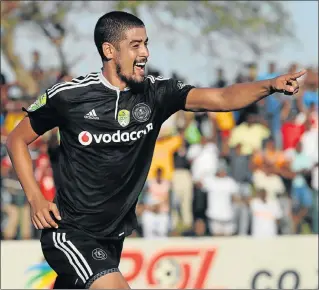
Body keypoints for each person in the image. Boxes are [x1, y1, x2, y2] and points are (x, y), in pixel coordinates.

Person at [5, 10, 306, 290]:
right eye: (135, 45)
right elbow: (16, 140)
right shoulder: (70, 96)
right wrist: (35, 198)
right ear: (110, 51)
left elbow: (222, 97)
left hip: (112, 236)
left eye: (146, 44)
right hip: (69, 232)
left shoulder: (157, 93)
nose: (145, 53)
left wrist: (270, 85)